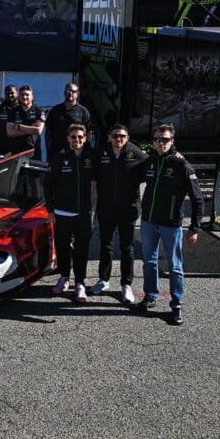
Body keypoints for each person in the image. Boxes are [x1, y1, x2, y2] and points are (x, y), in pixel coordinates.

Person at [136, 124, 204, 326]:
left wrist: (194, 227)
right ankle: (150, 295)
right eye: (156, 139)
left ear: (172, 141)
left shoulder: (182, 165)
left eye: (164, 139)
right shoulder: (150, 161)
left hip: (171, 224)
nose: (160, 143)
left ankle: (176, 304)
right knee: (149, 262)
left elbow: (197, 198)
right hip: (148, 221)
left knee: (175, 266)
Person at [92, 124, 147, 304]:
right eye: (115, 135)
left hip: (128, 210)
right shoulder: (101, 153)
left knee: (127, 248)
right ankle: (104, 280)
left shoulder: (137, 154)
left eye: (122, 136)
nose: (118, 139)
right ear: (109, 137)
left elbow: (156, 165)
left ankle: (126, 284)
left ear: (127, 137)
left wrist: (175, 153)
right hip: (105, 209)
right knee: (106, 245)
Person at [47, 124, 96, 302]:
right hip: (61, 212)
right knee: (62, 247)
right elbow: (48, 185)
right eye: (73, 137)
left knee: (82, 249)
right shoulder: (59, 158)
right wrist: (50, 210)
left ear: (86, 138)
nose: (77, 140)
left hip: (83, 212)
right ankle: (63, 277)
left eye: (80, 137)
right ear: (68, 138)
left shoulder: (91, 158)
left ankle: (80, 282)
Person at [45, 82, 93, 161]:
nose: (70, 93)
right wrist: (49, 150)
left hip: (76, 153)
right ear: (64, 93)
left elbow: (89, 132)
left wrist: (84, 149)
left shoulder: (83, 111)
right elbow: (48, 133)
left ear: (77, 94)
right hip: (57, 152)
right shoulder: (55, 110)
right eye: (68, 91)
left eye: (73, 91)